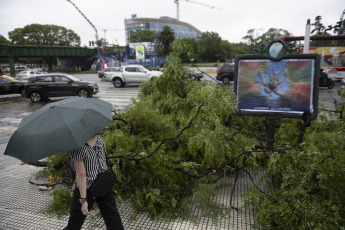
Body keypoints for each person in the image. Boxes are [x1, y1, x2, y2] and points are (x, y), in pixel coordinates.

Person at [64, 134, 124, 230]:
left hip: (86, 189)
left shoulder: (77, 148)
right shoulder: (100, 139)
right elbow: (104, 160)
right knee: (113, 219)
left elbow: (81, 175)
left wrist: (83, 201)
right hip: (103, 183)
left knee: (75, 222)